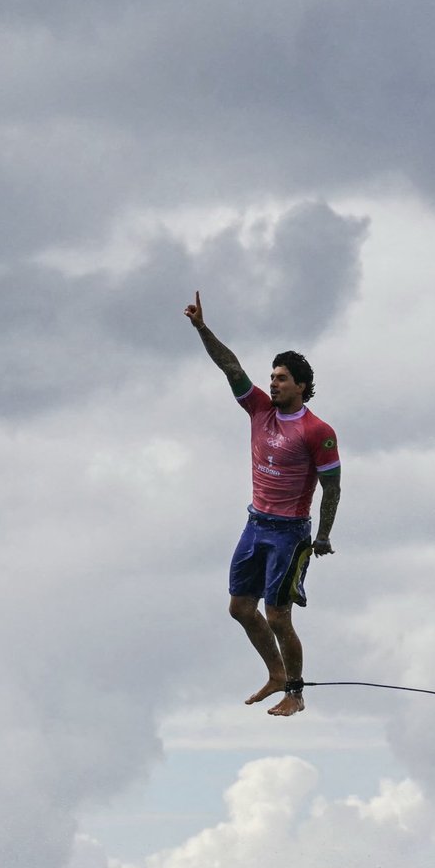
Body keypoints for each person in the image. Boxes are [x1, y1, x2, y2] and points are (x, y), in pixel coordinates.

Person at [184, 290, 341, 717]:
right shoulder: (259, 410)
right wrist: (201, 328)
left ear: (302, 387)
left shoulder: (317, 430)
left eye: (282, 378)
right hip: (256, 524)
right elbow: (230, 365)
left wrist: (323, 534)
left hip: (290, 533)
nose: (273, 383)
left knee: (277, 616)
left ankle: (295, 691)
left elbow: (332, 487)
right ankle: (275, 673)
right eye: (272, 377)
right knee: (239, 608)